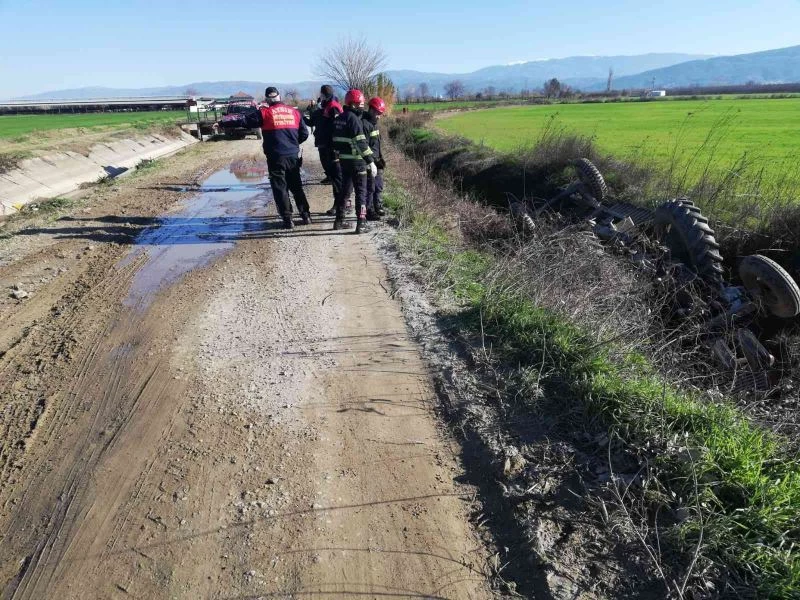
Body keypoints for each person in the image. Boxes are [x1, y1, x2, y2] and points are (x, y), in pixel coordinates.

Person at [257, 86, 311, 230]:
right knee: (296, 185)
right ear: (279, 97)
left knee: (280, 188)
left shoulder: (265, 113)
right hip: (292, 155)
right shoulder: (294, 112)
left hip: (275, 157)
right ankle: (306, 215)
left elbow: (244, 121)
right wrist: (293, 143)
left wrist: (223, 123)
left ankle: (288, 219)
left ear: (267, 99)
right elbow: (305, 134)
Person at [331, 89, 377, 233]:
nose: (362, 107)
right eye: (360, 104)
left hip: (344, 162)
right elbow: (361, 143)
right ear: (353, 104)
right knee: (361, 193)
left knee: (344, 192)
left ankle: (339, 221)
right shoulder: (354, 119)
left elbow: (335, 142)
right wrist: (371, 161)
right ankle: (361, 223)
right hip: (358, 162)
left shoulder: (339, 118)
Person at [361, 96, 387, 220]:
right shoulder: (365, 124)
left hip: (377, 159)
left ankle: (378, 206)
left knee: (379, 185)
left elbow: (376, 143)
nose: (379, 116)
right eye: (377, 113)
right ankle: (369, 209)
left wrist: (380, 158)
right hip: (370, 161)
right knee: (370, 188)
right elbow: (364, 145)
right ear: (371, 110)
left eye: (380, 114)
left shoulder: (373, 123)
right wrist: (371, 161)